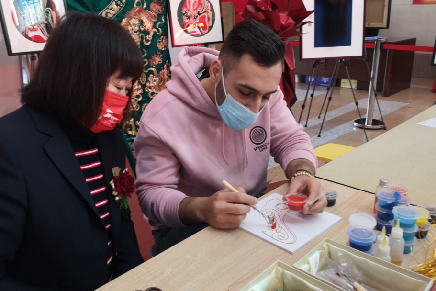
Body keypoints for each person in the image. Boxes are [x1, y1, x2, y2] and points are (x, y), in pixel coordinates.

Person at [134, 19, 327, 256]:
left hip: (253, 206)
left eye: (266, 97)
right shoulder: (163, 116)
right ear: (216, 71)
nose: (256, 108)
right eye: (246, 93)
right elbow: (152, 195)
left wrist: (302, 172)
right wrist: (202, 208)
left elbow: (291, 139)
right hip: (187, 222)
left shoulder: (266, 93)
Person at [0, 13, 144, 290]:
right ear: (77, 74)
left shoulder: (107, 135)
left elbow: (121, 219)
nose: (122, 100)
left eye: (127, 88)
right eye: (116, 86)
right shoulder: (10, 145)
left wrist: (136, 281)